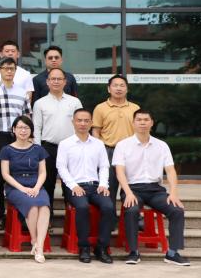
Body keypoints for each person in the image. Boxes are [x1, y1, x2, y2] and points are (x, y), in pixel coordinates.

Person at [114, 110, 189, 266]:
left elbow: (170, 171)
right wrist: (128, 193)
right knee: (132, 210)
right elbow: (119, 171)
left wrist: (173, 193)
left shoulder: (161, 145)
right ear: (133, 123)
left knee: (177, 210)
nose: (142, 122)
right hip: (133, 189)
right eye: (139, 119)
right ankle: (133, 252)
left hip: (155, 190)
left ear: (152, 123)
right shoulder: (123, 145)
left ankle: (172, 253)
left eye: (146, 119)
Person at [57, 108, 115, 264]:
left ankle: (102, 247)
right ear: (73, 122)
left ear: (91, 123)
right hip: (74, 186)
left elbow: (104, 166)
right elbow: (61, 168)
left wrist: (103, 184)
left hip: (95, 186)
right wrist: (73, 186)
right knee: (82, 207)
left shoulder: (98, 144)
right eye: (79, 120)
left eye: (86, 121)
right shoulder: (65, 144)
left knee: (108, 207)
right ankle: (84, 247)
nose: (82, 124)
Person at [0, 58, 33, 231]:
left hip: (19, 138)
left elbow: (27, 117)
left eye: (12, 68)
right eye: (6, 68)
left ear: (15, 70)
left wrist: (29, 138)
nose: (9, 71)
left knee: (20, 175)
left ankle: (21, 215)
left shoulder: (22, 92)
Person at [0, 116, 51, 264]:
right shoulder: (6, 150)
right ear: (14, 130)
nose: (23, 131)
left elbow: (43, 172)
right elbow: (5, 174)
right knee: (32, 207)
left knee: (44, 207)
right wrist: (22, 188)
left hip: (36, 185)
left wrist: (36, 187)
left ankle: (39, 246)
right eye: (20, 127)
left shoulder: (38, 149)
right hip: (15, 187)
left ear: (31, 131)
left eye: (26, 128)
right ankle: (34, 241)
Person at [33, 67, 83, 202]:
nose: (56, 81)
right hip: (48, 148)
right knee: (48, 184)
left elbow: (81, 125)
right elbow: (36, 128)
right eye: (53, 79)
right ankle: (48, 213)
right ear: (47, 82)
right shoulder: (39, 103)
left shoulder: (75, 102)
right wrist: (38, 150)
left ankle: (71, 213)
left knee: (71, 184)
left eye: (59, 79)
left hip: (71, 148)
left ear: (65, 82)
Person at [92, 74, 140, 202]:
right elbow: (95, 131)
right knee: (109, 189)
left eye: (122, 85)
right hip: (108, 151)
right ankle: (110, 214)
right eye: (115, 85)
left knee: (131, 188)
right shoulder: (100, 108)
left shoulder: (135, 108)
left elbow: (139, 131)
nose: (118, 88)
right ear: (109, 89)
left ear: (127, 89)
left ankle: (131, 213)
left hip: (130, 152)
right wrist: (100, 150)